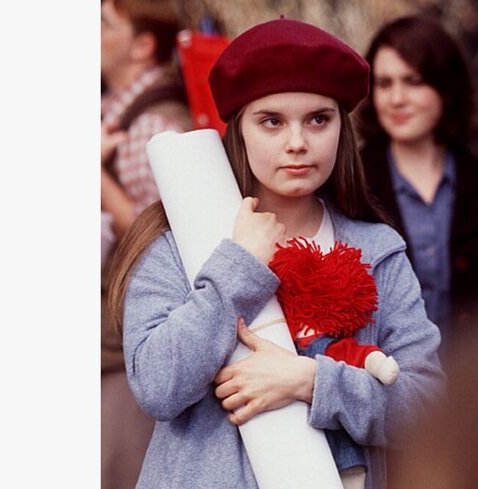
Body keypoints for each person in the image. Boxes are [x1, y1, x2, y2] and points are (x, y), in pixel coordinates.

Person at [106, 17, 445, 489]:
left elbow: (427, 409)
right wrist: (239, 266)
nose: (297, 143)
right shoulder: (177, 241)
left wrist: (311, 382)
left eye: (318, 119)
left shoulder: (378, 250)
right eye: (272, 121)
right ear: (239, 130)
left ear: (341, 128)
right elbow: (157, 386)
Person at [100, 1, 192, 488]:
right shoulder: (118, 115)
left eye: (102, 25)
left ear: (142, 45)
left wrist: (95, 176)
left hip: (128, 343)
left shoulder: (151, 127)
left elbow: (159, 239)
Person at [356, 15, 478, 360]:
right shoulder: (351, 183)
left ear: (446, 88)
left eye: (413, 81)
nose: (396, 99)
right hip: (386, 379)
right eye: (384, 84)